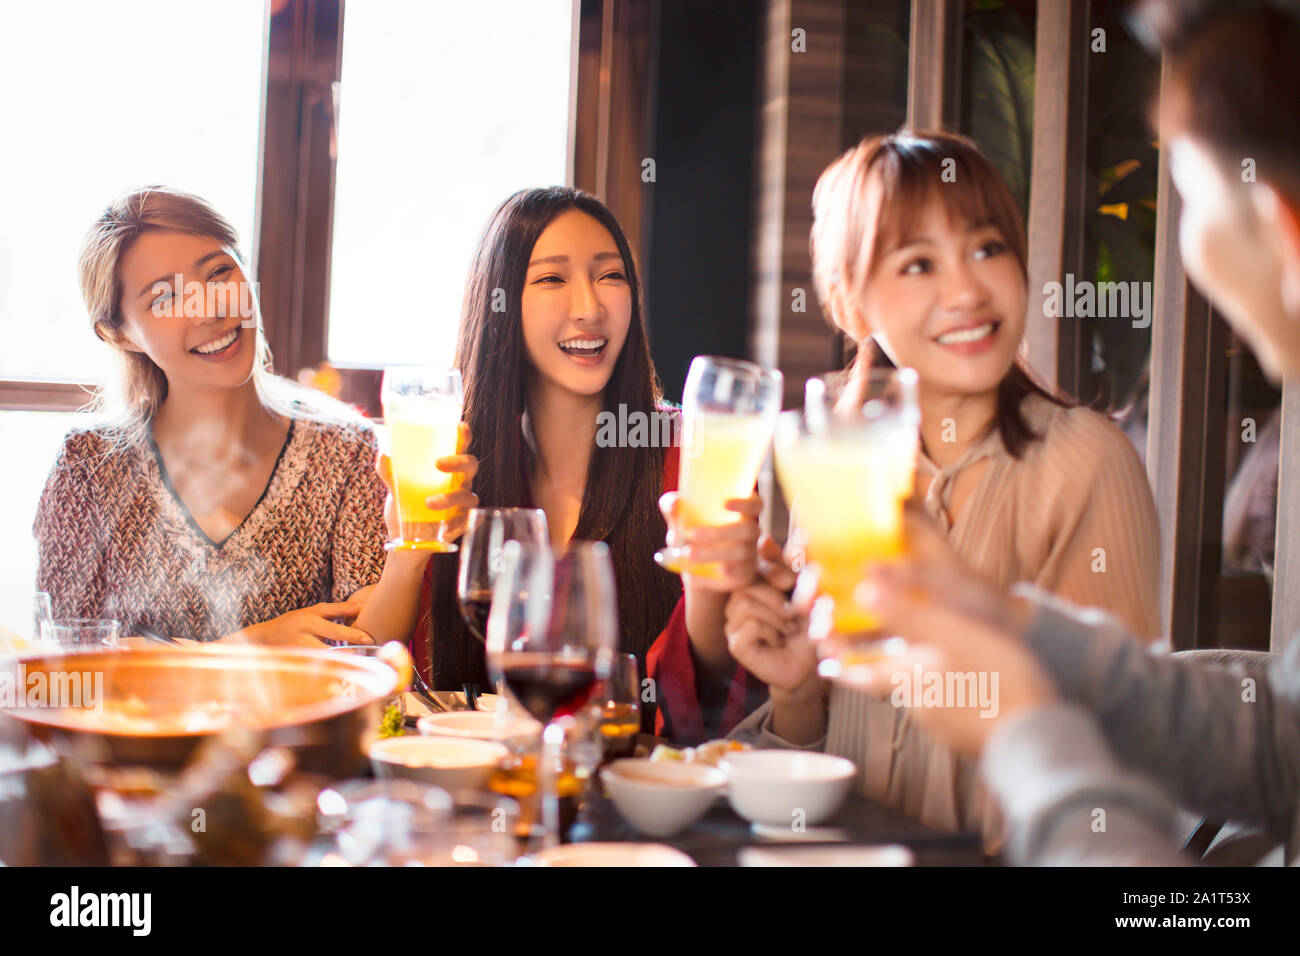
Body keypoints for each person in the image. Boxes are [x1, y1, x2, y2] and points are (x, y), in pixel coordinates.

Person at [844, 0, 1300, 865]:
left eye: (1191, 200)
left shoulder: (1082, 456)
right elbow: (1281, 749)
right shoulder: (850, 457)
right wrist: (1008, 621)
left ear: (1282, 233)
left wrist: (1022, 727)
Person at [704, 130, 1162, 848]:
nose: (967, 290)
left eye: (987, 248)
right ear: (853, 308)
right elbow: (820, 769)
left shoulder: (1084, 464)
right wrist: (798, 693)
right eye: (919, 263)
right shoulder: (838, 467)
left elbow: (1119, 767)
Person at [353, 187, 764, 736]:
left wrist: (715, 579)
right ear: (500, 301)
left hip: (633, 796)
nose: (589, 308)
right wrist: (409, 549)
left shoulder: (692, 454)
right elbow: (373, 688)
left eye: (609, 276)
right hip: (479, 793)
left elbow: (713, 702)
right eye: (552, 279)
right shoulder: (451, 462)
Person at [34, 186, 436, 646]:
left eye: (220, 272)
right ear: (118, 334)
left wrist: (411, 548)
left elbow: (366, 649)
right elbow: (61, 668)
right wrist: (246, 650)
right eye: (164, 299)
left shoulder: (344, 448)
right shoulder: (88, 465)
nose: (211, 308)